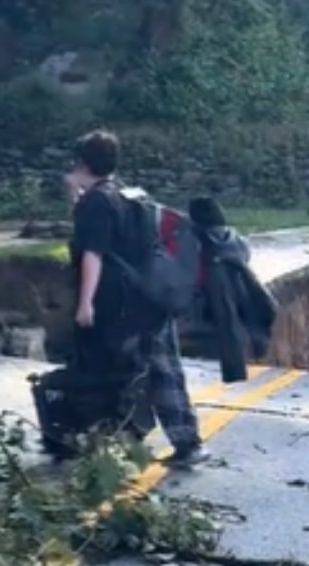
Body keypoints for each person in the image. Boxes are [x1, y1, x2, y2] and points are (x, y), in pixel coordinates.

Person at [66, 130, 209, 468]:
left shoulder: (96, 203)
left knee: (116, 371)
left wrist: (85, 303)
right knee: (165, 369)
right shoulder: (132, 195)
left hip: (121, 304)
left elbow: (93, 253)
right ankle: (186, 442)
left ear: (82, 162)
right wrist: (76, 195)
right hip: (153, 296)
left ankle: (106, 443)